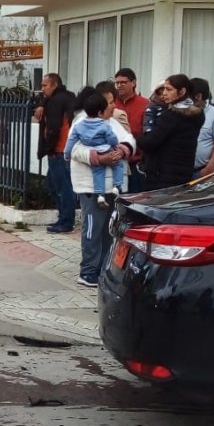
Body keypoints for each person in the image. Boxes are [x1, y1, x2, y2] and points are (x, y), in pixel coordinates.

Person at [68, 85, 135, 287]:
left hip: (112, 187)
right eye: (110, 102)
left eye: (114, 101)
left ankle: (104, 268)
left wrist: (122, 150)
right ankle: (88, 271)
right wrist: (99, 158)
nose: (113, 106)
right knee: (92, 229)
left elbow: (129, 139)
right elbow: (74, 150)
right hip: (91, 187)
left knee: (109, 230)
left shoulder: (112, 123)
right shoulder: (81, 122)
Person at [138, 74, 205, 191]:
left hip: (163, 176)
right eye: (164, 89)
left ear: (182, 91)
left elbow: (150, 143)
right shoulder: (198, 114)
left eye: (169, 89)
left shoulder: (171, 116)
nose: (164, 93)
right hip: (185, 172)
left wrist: (134, 137)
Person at [64, 93, 123, 205]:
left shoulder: (78, 126)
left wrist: (67, 154)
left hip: (93, 153)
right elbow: (112, 139)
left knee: (98, 173)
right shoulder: (105, 125)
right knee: (118, 164)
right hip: (106, 150)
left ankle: (100, 195)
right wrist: (115, 145)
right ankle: (117, 186)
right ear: (100, 113)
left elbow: (71, 141)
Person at [39, 73, 77, 233]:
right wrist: (42, 105)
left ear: (54, 85)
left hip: (59, 150)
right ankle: (64, 217)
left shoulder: (55, 102)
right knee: (55, 185)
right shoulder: (67, 97)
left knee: (62, 188)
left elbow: (54, 128)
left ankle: (66, 221)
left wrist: (49, 149)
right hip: (64, 150)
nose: (42, 89)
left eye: (45, 85)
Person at [112, 68, 150, 193]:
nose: (119, 85)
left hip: (136, 162)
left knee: (136, 199)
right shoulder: (111, 104)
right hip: (114, 161)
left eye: (123, 82)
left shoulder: (145, 104)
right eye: (117, 83)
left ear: (133, 83)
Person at [190, 78, 214, 178]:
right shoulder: (183, 113)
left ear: (198, 96)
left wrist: (208, 169)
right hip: (180, 170)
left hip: (200, 171)